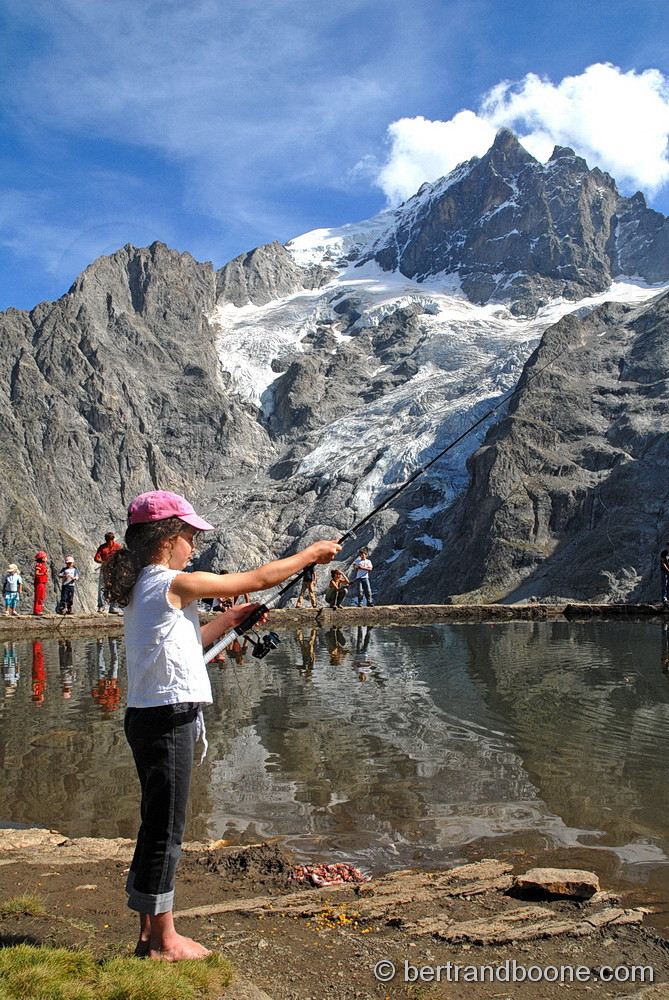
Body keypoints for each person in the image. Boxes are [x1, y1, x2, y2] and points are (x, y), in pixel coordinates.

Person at [102, 488, 340, 961]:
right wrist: (314, 554)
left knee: (156, 824)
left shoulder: (146, 589)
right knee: (167, 828)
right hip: (168, 718)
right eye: (190, 535)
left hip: (151, 715)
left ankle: (151, 935)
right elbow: (255, 577)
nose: (195, 545)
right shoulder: (170, 581)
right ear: (168, 538)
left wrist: (233, 619)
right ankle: (165, 942)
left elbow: (188, 642)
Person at [95, 532, 122, 613]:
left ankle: (113, 606)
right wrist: (103, 562)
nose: (108, 542)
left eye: (109, 540)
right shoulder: (102, 547)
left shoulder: (117, 547)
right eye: (107, 540)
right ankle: (101, 606)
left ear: (112, 539)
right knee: (102, 586)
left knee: (115, 587)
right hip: (105, 569)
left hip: (114, 568)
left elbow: (121, 557)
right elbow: (96, 558)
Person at [33, 552, 49, 616]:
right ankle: (37, 610)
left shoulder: (43, 565)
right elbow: (36, 573)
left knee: (42, 596)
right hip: (39, 582)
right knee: (39, 596)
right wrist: (43, 574)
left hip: (43, 582)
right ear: (42, 558)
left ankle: (40, 609)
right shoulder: (39, 565)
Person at [661, 542, 669, 606]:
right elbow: (662, 563)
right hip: (664, 571)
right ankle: (664, 598)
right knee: (664, 584)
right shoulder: (663, 553)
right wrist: (667, 569)